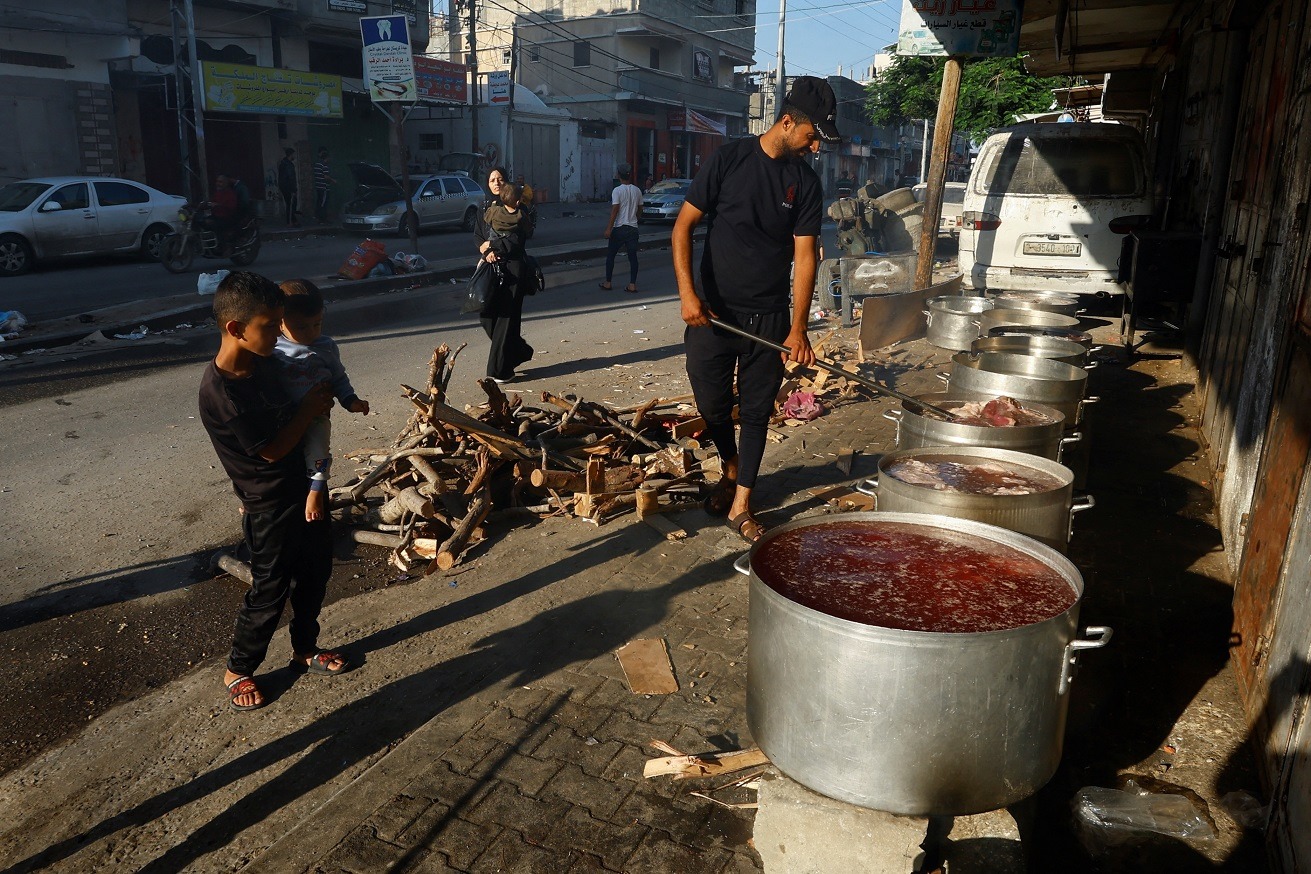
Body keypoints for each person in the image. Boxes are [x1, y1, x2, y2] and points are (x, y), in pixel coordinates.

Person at [672, 75, 839, 544]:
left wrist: (799, 327)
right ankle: (730, 466)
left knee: (758, 410)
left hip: (768, 315)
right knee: (711, 403)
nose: (813, 148)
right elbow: (683, 227)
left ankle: (742, 501)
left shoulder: (804, 183)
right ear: (788, 122)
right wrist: (688, 295)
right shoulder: (728, 160)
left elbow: (805, 256)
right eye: (811, 137)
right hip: (713, 313)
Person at [197, 271, 350, 712]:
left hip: (304, 490)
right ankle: (239, 669)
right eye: (270, 326)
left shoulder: (266, 361)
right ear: (235, 328)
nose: (280, 333)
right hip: (267, 505)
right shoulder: (223, 392)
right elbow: (270, 450)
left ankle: (305, 648)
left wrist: (316, 483)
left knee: (316, 573)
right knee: (269, 589)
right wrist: (307, 411)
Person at [273, 279, 370, 523]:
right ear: (281, 322)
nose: (311, 332)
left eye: (317, 324)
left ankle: (316, 491)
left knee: (319, 450)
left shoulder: (325, 346)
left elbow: (339, 378)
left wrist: (351, 401)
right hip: (282, 419)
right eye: (302, 327)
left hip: (316, 416)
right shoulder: (272, 347)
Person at [474, 182, 533, 383]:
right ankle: (513, 356)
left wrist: (489, 247)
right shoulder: (521, 216)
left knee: (502, 318)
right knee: (499, 317)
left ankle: (500, 367)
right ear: (517, 200)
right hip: (509, 270)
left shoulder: (492, 211)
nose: (496, 183)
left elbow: (485, 230)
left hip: (501, 267)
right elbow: (527, 234)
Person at [600, 164, 641, 293]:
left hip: (620, 228)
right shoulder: (637, 190)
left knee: (611, 255)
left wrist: (608, 228)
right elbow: (640, 209)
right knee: (633, 257)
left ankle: (608, 282)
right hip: (633, 228)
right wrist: (636, 219)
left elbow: (615, 210)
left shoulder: (617, 191)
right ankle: (632, 284)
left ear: (618, 175)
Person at [313, 148, 335, 224]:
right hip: (324, 187)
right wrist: (333, 180)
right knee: (323, 203)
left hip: (318, 186)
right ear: (327, 158)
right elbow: (326, 177)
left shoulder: (317, 164)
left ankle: (319, 217)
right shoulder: (324, 165)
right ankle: (322, 219)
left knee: (319, 202)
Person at [278, 148, 299, 227]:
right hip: (288, 187)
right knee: (291, 204)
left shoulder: (283, 163)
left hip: (284, 186)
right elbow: (291, 178)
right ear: (290, 155)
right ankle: (289, 222)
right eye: (293, 154)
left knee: (290, 204)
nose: (294, 156)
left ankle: (294, 220)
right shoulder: (288, 165)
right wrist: (293, 189)